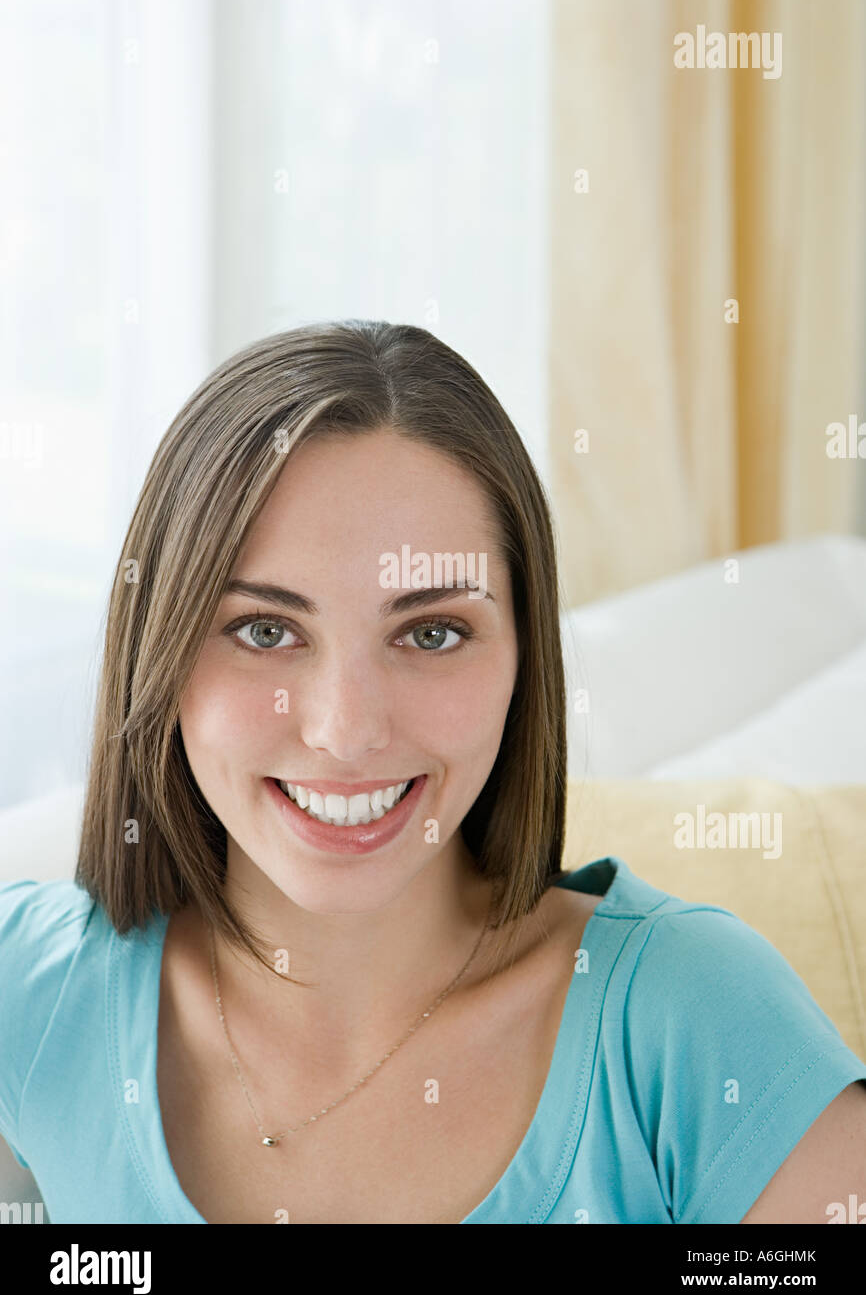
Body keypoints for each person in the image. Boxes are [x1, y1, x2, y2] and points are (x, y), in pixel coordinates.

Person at [0, 320, 864, 1224]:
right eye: (265, 630)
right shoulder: (39, 995)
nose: (345, 730)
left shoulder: (693, 1020)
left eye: (431, 633)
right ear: (161, 652)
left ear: (525, 659)